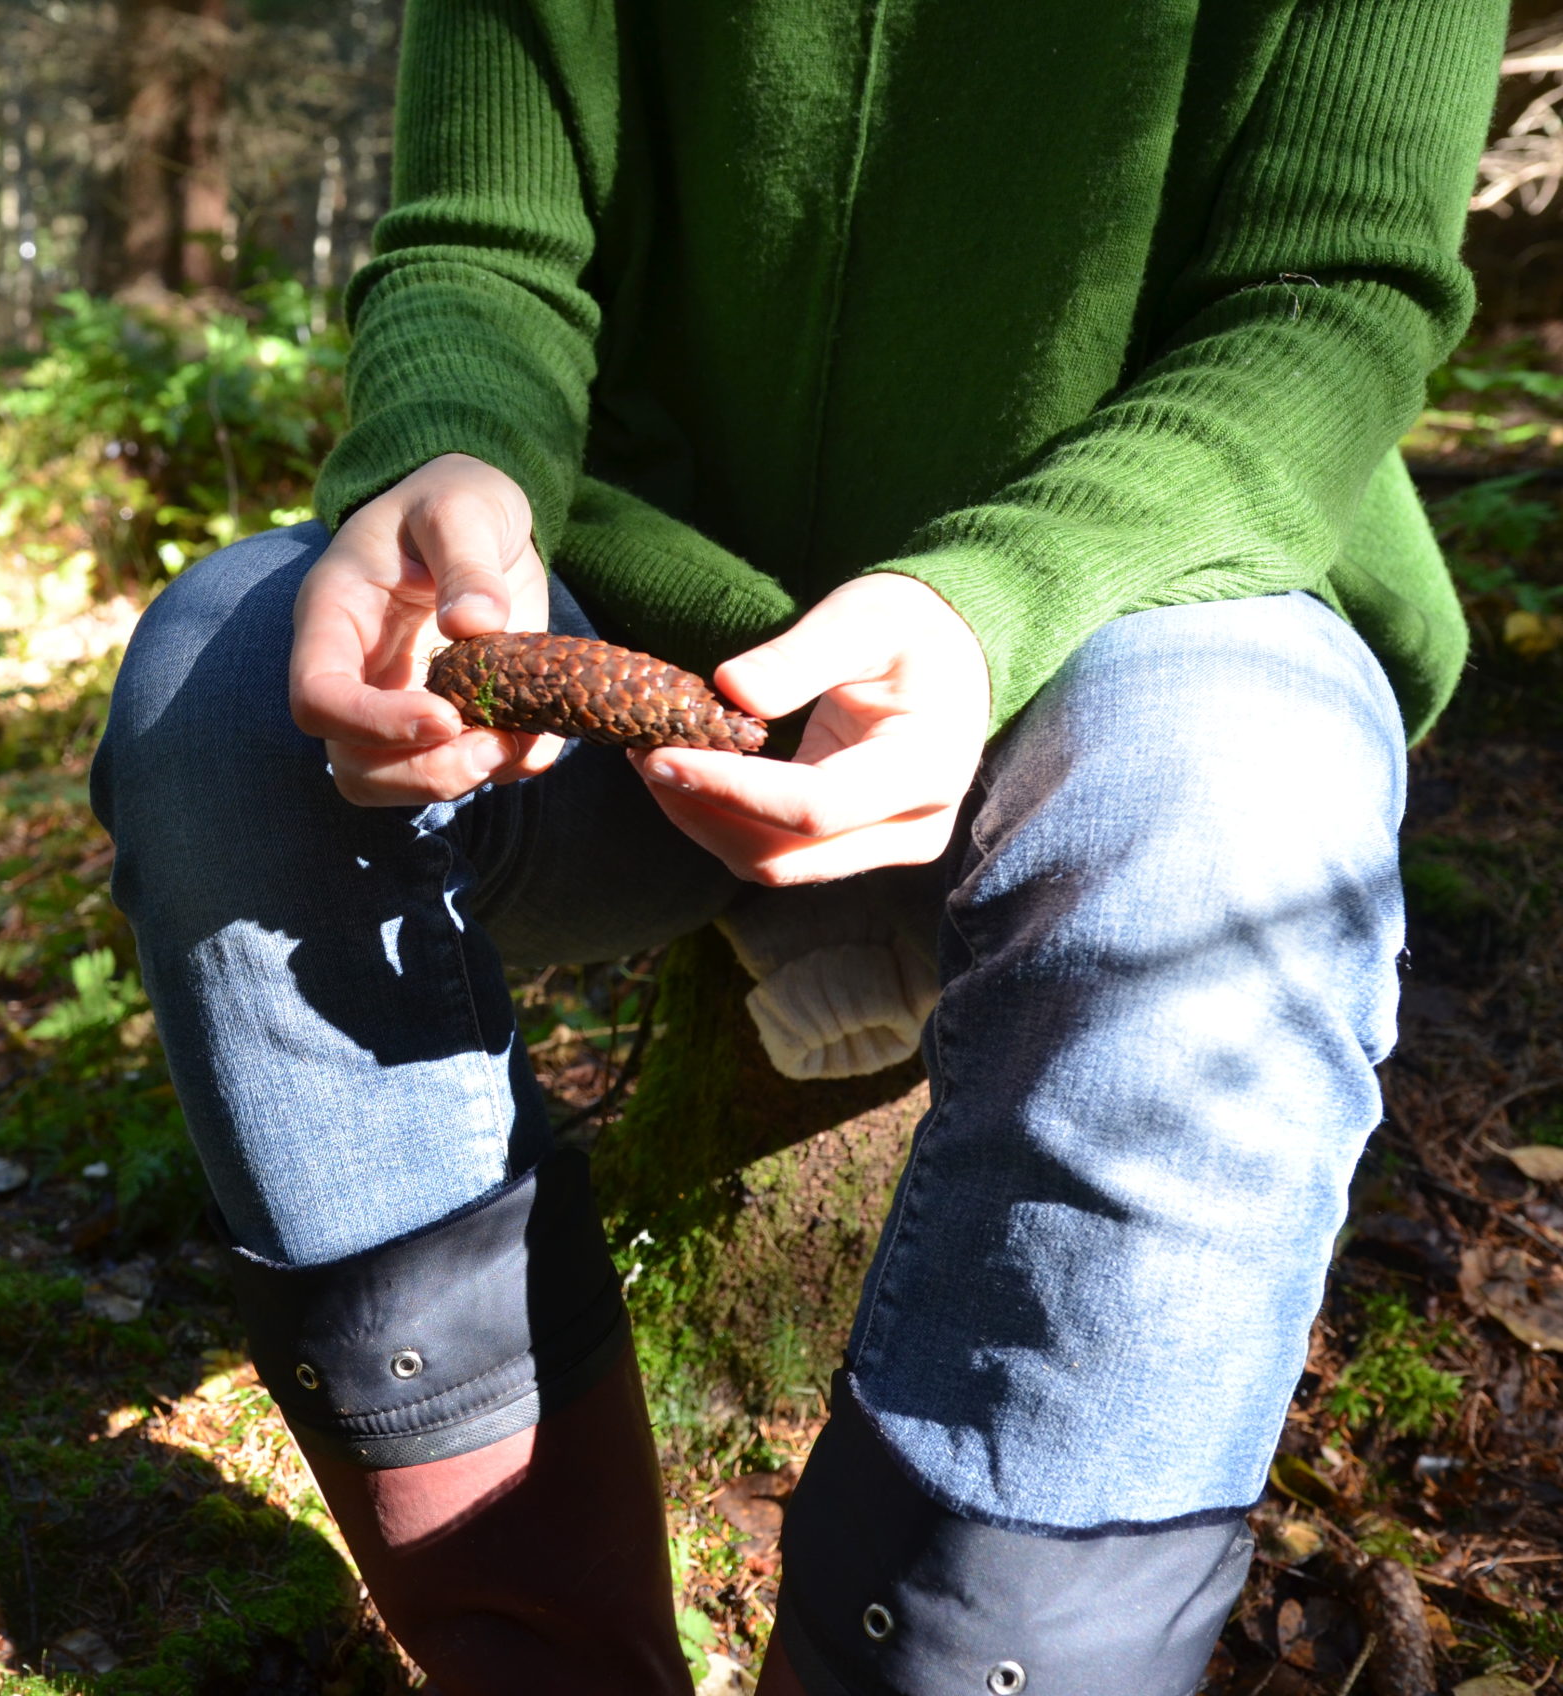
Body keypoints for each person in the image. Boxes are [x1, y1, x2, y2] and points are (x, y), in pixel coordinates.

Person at [90, 2, 1505, 1691]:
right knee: (223, 703)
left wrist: (988, 603)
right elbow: (486, 246)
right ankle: (535, 1656)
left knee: (1237, 817)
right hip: (635, 628)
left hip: (1148, 604)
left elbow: (1331, 299)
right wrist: (447, 453)